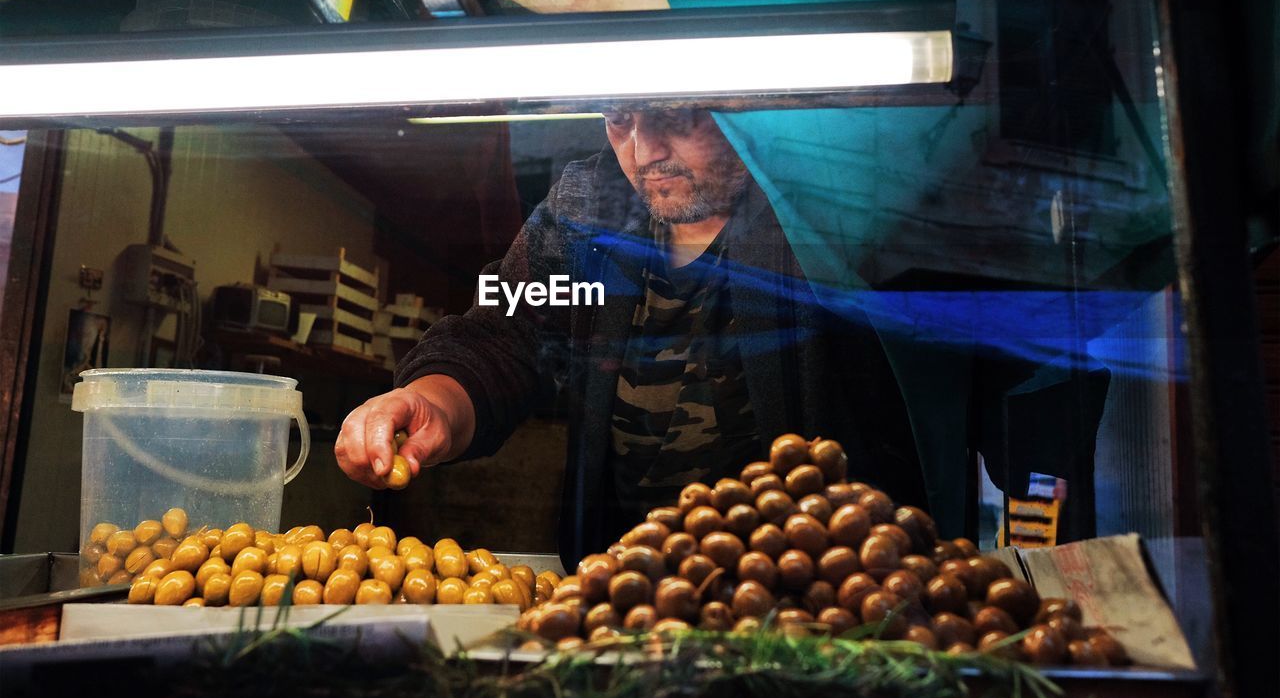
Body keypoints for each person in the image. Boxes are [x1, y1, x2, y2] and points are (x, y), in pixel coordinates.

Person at [337, 105, 928, 564]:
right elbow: (503, 333)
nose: (644, 150)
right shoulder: (590, 208)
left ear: (744, 105)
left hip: (816, 601)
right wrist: (432, 399)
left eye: (674, 116)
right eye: (619, 118)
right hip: (625, 593)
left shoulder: (824, 204)